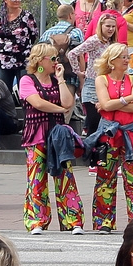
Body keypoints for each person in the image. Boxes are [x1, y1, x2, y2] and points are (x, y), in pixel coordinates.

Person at [20, 42, 81, 234]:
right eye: (53, 59)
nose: (57, 62)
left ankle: (72, 220)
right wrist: (61, 110)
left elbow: (68, 102)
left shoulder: (56, 81)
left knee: (65, 176)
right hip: (36, 133)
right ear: (40, 61)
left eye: (57, 58)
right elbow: (37, 103)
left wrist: (61, 79)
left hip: (57, 135)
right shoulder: (27, 81)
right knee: (36, 178)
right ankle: (37, 220)